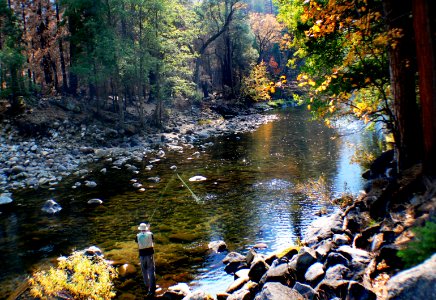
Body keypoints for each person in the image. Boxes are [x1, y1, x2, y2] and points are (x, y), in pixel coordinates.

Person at [135, 222, 156, 297]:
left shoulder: (137, 236)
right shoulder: (150, 234)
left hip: (142, 255)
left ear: (140, 229)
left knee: (144, 270)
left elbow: (137, 241)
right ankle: (152, 288)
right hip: (149, 255)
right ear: (146, 229)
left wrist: (146, 231)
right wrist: (148, 230)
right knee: (151, 270)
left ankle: (146, 285)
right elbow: (152, 238)